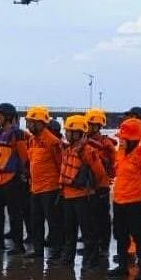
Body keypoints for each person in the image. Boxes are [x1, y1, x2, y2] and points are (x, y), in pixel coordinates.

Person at [109, 117, 141, 280]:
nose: (121, 141)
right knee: (120, 235)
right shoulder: (121, 153)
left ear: (134, 139)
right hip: (119, 200)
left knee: (139, 236)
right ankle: (122, 266)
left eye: (124, 138)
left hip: (136, 201)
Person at [59, 115, 107, 268]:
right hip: (68, 195)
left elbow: (99, 173)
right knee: (69, 230)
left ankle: (91, 261)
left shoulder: (88, 151)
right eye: (66, 131)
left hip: (83, 196)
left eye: (70, 132)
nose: (67, 134)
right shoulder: (69, 149)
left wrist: (95, 190)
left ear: (79, 133)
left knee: (87, 231)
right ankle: (68, 259)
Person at [0, 102, 30, 253]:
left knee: (14, 214)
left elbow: (24, 157)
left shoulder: (17, 134)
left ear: (7, 117)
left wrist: (24, 175)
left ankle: (18, 245)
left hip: (12, 179)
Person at [26, 106, 63, 259]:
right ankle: (38, 249)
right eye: (28, 122)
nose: (28, 125)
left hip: (50, 188)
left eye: (32, 122)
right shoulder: (32, 140)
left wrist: (61, 187)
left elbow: (60, 164)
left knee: (53, 222)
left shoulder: (52, 141)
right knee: (36, 221)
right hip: (35, 188)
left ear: (41, 123)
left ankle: (56, 251)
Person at [86, 108, 117, 265]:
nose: (87, 127)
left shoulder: (106, 143)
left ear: (97, 126)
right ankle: (93, 245)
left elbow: (114, 161)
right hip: (89, 185)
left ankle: (103, 247)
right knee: (90, 217)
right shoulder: (85, 142)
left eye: (90, 124)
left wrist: (110, 175)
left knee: (102, 218)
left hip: (102, 185)